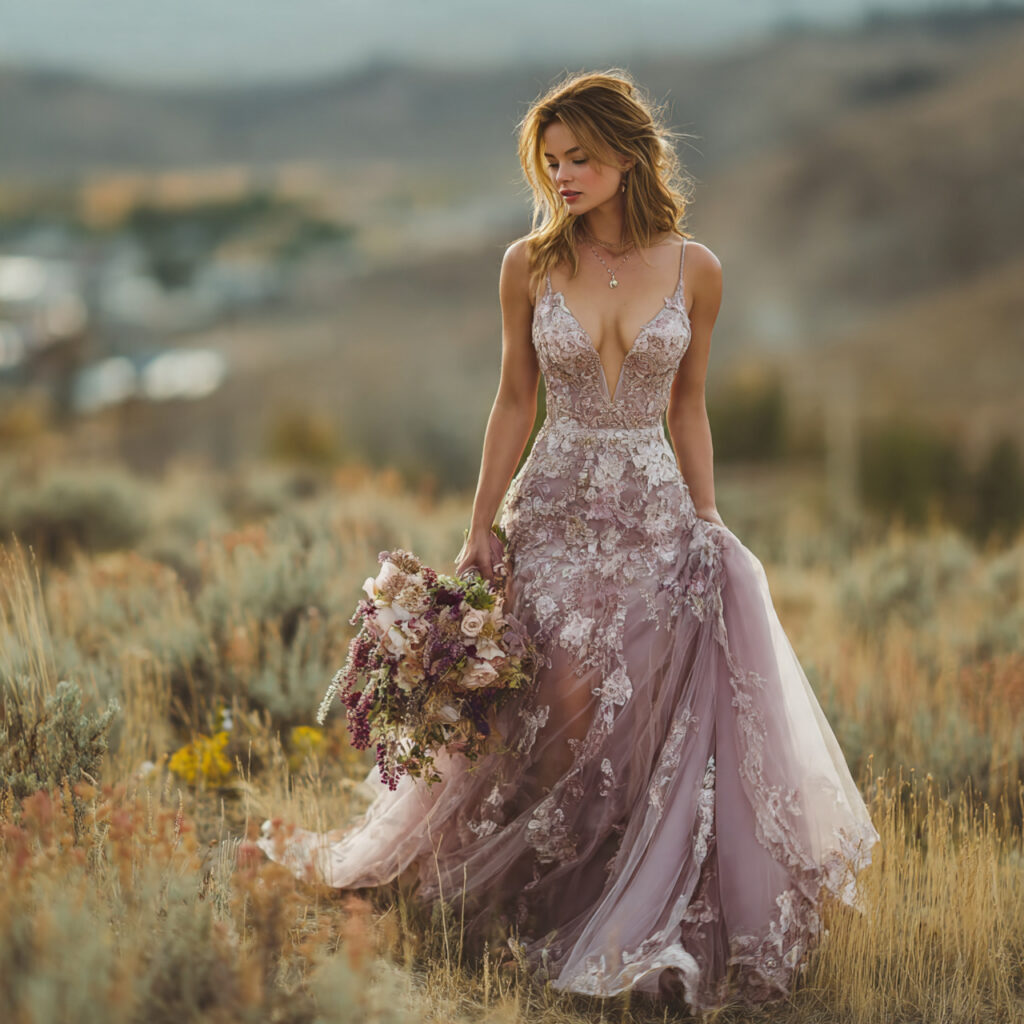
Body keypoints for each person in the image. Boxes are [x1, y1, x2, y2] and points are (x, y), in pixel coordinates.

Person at [259, 69, 879, 1013]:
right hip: (548, 512)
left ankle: (624, 899)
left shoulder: (697, 268)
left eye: (579, 158)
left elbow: (691, 405)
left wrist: (707, 519)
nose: (563, 177)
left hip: (652, 518)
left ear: (628, 154)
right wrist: (479, 527)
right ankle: (539, 898)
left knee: (638, 715)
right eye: (550, 162)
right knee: (553, 699)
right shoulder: (528, 263)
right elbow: (513, 401)